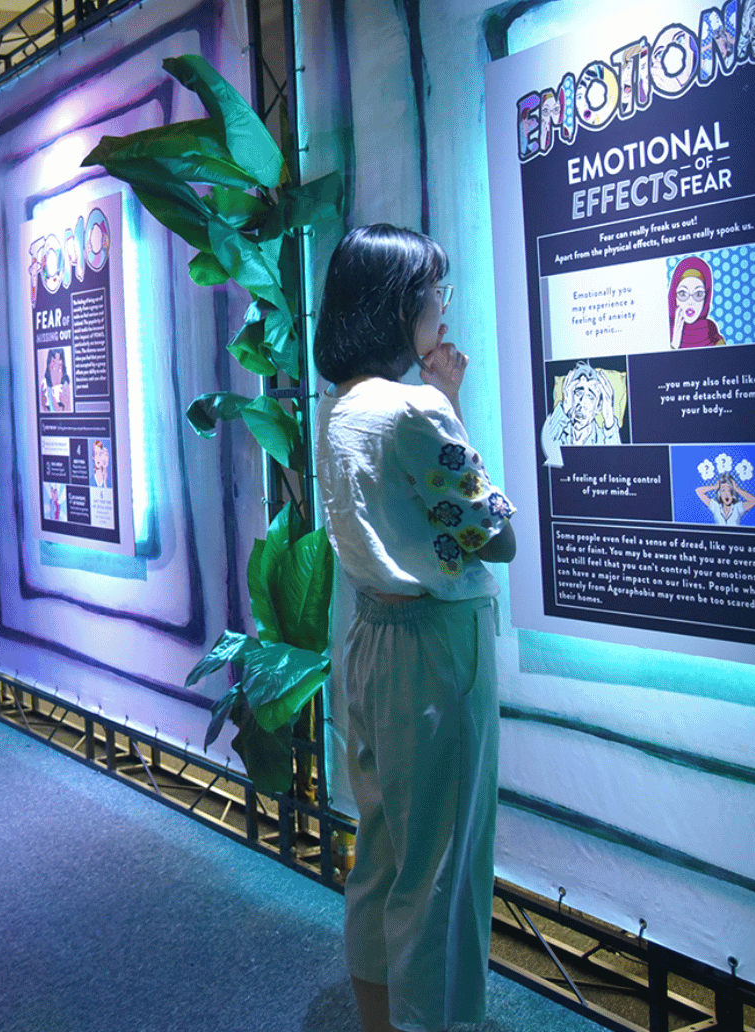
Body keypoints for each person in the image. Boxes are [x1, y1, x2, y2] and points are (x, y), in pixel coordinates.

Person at [312, 225, 517, 1032]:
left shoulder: (343, 407)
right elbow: (494, 532)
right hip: (437, 650)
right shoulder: (413, 409)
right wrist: (451, 404)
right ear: (405, 306)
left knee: (386, 851)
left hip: (369, 638)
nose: (443, 306)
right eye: (437, 292)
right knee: (443, 870)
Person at [539, 360, 620, 466]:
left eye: (590, 397)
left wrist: (609, 419)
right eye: (578, 393)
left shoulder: (604, 440)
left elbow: (617, 462)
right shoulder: (558, 433)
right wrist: (565, 406)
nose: (582, 403)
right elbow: (543, 446)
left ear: (599, 406)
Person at [668, 257, 724, 349]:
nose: (690, 302)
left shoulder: (711, 333)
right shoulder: (664, 331)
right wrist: (674, 345)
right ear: (674, 297)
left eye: (698, 294)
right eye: (682, 294)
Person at [40, 347, 72, 412]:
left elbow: (69, 412)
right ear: (48, 365)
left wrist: (66, 406)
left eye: (59, 367)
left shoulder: (66, 386)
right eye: (53, 367)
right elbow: (42, 410)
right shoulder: (44, 385)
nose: (56, 372)